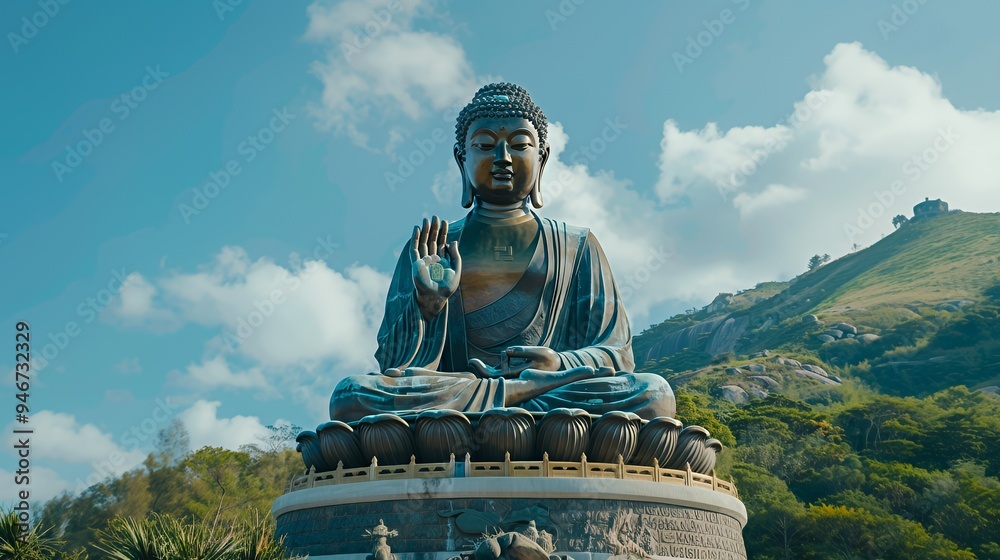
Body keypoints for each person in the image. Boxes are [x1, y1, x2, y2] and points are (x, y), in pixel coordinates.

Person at [330, 83, 674, 422]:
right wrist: (427, 308)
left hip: (549, 392)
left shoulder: (577, 245)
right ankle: (510, 402)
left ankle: (504, 405)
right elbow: (392, 363)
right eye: (484, 145)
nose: (503, 158)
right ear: (461, 159)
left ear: (543, 158)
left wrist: (557, 364)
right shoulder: (431, 248)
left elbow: (616, 355)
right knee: (352, 395)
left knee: (653, 394)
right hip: (464, 391)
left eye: (520, 145)